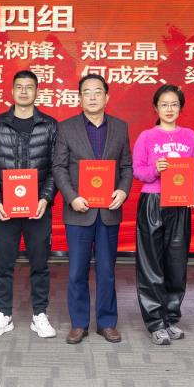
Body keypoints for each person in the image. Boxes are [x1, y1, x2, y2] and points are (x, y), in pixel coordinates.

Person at [52, 74, 133, 344]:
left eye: (98, 92)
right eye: (87, 92)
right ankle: (79, 323)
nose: (93, 97)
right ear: (80, 98)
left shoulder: (120, 127)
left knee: (107, 270)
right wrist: (71, 197)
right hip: (79, 210)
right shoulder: (66, 128)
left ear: (107, 97)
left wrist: (123, 191)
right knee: (77, 270)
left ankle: (107, 323)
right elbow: (59, 167)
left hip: (109, 210)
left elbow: (126, 166)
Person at [0, 70, 59, 339]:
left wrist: (45, 198)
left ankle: (40, 315)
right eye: (19, 87)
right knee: (3, 265)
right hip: (5, 209)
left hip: (38, 208)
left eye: (29, 87)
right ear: (12, 91)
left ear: (37, 92)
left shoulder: (50, 125)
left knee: (40, 264)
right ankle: (4, 314)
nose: (24, 91)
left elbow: (56, 167)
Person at [130, 85, 194, 346]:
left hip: (179, 203)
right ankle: (155, 322)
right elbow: (138, 170)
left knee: (176, 263)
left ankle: (170, 318)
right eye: (164, 104)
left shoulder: (189, 136)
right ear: (156, 108)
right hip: (153, 201)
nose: (169, 109)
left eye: (174, 104)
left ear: (180, 107)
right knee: (151, 264)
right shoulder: (147, 136)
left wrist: (193, 190)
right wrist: (154, 169)